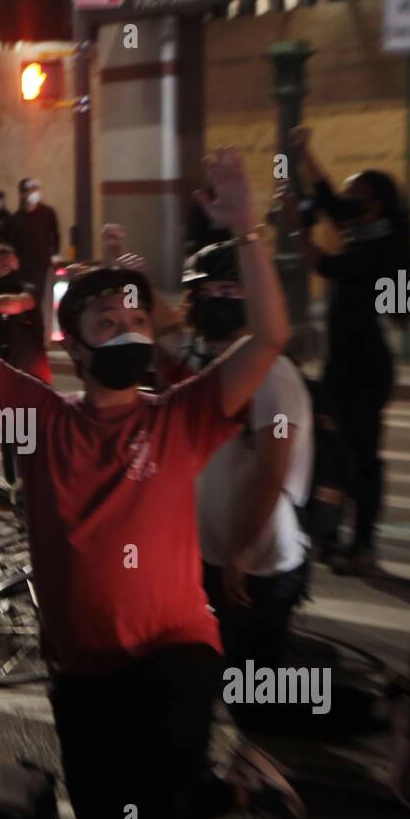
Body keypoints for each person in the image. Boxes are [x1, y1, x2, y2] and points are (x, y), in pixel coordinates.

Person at [0, 148, 302, 819]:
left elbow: (272, 338)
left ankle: (215, 785)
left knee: (164, 786)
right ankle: (239, 790)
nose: (126, 325)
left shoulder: (179, 416)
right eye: (106, 318)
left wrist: (250, 232)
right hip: (82, 670)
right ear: (76, 348)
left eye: (134, 315)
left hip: (175, 651)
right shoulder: (42, 420)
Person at [180, 241, 313, 723]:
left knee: (254, 699)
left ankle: (373, 716)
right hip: (219, 556)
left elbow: (269, 471)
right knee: (229, 680)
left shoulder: (270, 375)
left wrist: (237, 551)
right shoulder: (209, 366)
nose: (216, 300)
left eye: (230, 290)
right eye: (206, 291)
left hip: (257, 563)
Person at [277, 125, 410, 575]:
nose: (347, 202)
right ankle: (331, 536)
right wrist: (303, 153)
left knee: (362, 457)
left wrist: (296, 229)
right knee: (333, 448)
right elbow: (330, 199)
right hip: (342, 362)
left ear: (375, 203)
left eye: (359, 194)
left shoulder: (384, 246)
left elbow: (322, 261)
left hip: (365, 366)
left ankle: (364, 545)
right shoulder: (367, 230)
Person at [0, 243, 51, 384]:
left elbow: (16, 303)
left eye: (15, 267)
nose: (14, 273)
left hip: (32, 384)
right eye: (7, 268)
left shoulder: (28, 291)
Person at [6, 178, 60, 319]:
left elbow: (54, 233)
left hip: (42, 264)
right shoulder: (15, 219)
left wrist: (55, 254)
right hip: (23, 267)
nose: (34, 192)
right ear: (22, 194)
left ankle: (40, 333)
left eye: (36, 189)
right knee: (24, 300)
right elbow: (11, 244)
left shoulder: (47, 212)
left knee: (40, 301)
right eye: (30, 189)